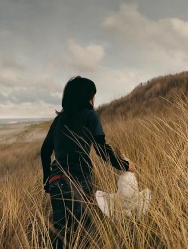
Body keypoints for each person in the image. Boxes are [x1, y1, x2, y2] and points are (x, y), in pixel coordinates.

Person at [41, 76, 135, 248]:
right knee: (83, 235)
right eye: (93, 95)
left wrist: (47, 180)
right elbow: (101, 149)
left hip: (56, 182)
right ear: (87, 97)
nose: (94, 99)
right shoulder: (90, 116)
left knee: (61, 236)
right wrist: (125, 165)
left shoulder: (59, 120)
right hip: (79, 181)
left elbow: (45, 151)